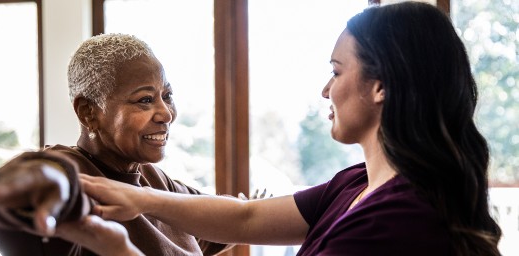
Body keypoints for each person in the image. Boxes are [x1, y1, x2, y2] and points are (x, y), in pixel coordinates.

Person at [64, 2, 503, 256]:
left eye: (336, 71)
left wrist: (118, 250)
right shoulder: (354, 185)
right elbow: (246, 217)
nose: (325, 89)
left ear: (381, 85)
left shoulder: (391, 224)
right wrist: (136, 197)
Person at [0, 33, 233, 256]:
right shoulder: (74, 173)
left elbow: (224, 223)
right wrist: (50, 179)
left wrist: (244, 206)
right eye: (145, 100)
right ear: (88, 112)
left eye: (167, 95)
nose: (166, 113)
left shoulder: (156, 179)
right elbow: (58, 181)